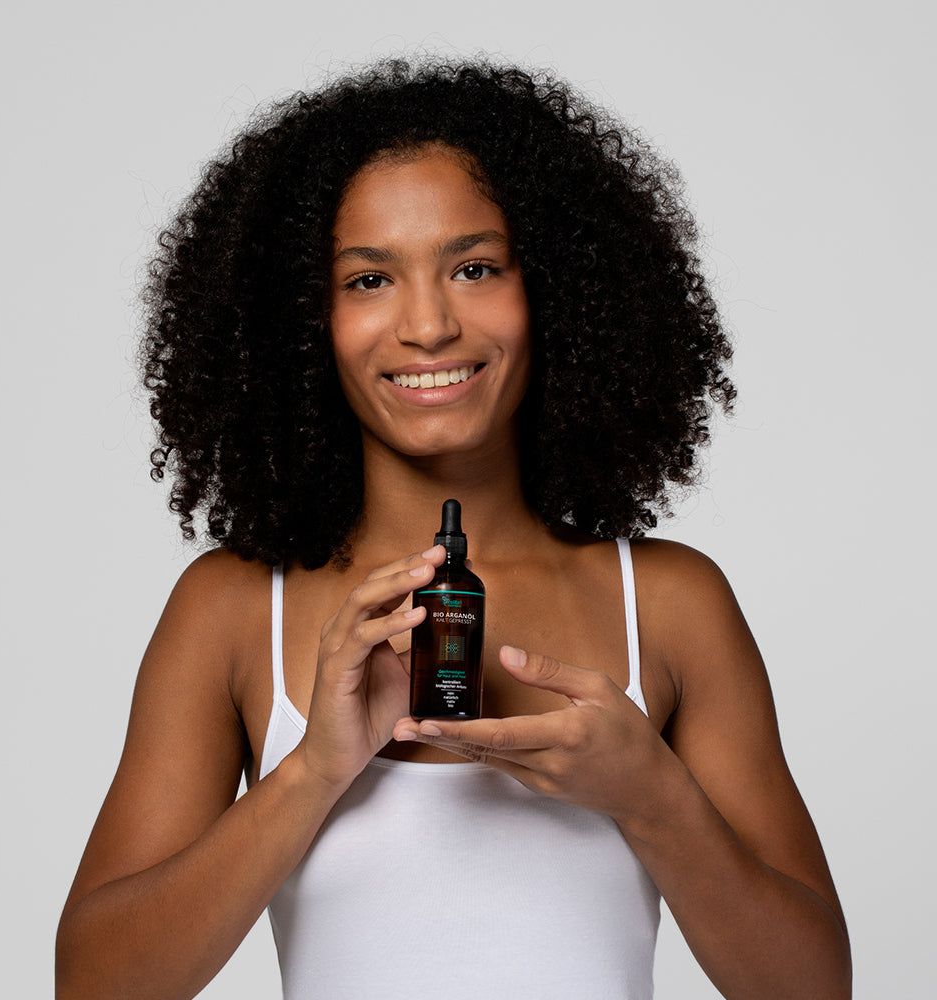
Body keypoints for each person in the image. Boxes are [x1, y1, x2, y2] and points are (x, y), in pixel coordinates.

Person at [56, 59, 851, 999]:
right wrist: (317, 770)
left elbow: (813, 987)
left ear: (552, 288)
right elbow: (94, 984)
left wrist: (652, 796)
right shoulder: (233, 611)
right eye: (367, 280)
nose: (428, 324)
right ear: (304, 321)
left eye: (474, 268)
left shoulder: (670, 604)